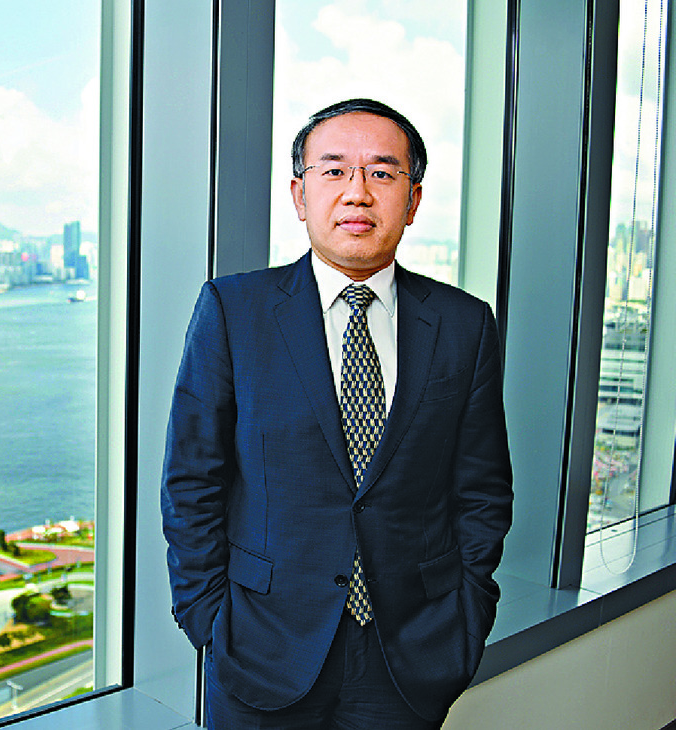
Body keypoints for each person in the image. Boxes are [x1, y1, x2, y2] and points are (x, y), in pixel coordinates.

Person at [161, 98, 513, 729]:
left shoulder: (464, 324)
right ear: (300, 196)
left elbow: (482, 489)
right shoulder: (234, 310)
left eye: (382, 172)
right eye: (333, 170)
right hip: (261, 645)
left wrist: (468, 613)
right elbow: (192, 479)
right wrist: (207, 618)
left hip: (409, 650)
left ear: (413, 200)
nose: (357, 192)